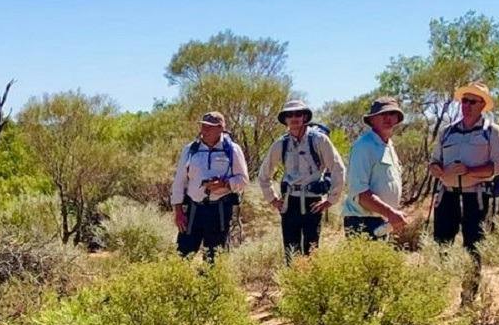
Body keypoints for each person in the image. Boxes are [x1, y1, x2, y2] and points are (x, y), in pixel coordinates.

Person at [256, 100, 346, 260]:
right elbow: (264, 174)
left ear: (305, 116)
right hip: (289, 203)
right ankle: (292, 283)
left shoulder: (319, 140)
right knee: (291, 251)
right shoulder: (281, 144)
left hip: (313, 202)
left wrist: (330, 200)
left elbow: (338, 169)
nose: (294, 118)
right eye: (289, 115)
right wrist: (273, 199)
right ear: (285, 119)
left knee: (311, 251)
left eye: (298, 114)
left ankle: (309, 283)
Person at [428, 81, 499, 258]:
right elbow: (434, 161)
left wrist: (469, 171)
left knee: (474, 247)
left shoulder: (492, 132)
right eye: (464, 101)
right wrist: (437, 169)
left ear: (483, 105)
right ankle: (440, 285)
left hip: (476, 196)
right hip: (446, 196)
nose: (467, 106)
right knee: (440, 246)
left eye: (472, 102)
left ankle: (470, 285)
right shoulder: (447, 131)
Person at [171, 111, 247, 259]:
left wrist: (224, 184)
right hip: (194, 210)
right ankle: (180, 282)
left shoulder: (232, 149)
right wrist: (178, 212)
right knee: (182, 255)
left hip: (220, 211)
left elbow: (243, 180)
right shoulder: (190, 149)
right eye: (203, 126)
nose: (204, 130)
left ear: (220, 128)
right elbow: (179, 182)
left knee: (214, 258)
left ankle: (211, 282)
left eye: (209, 127)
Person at [342, 97, 411, 239]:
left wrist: (391, 214)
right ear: (372, 120)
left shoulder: (389, 146)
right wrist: (390, 213)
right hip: (362, 222)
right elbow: (360, 194)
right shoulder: (364, 146)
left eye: (392, 114)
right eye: (382, 114)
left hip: (383, 222)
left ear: (397, 119)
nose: (387, 118)